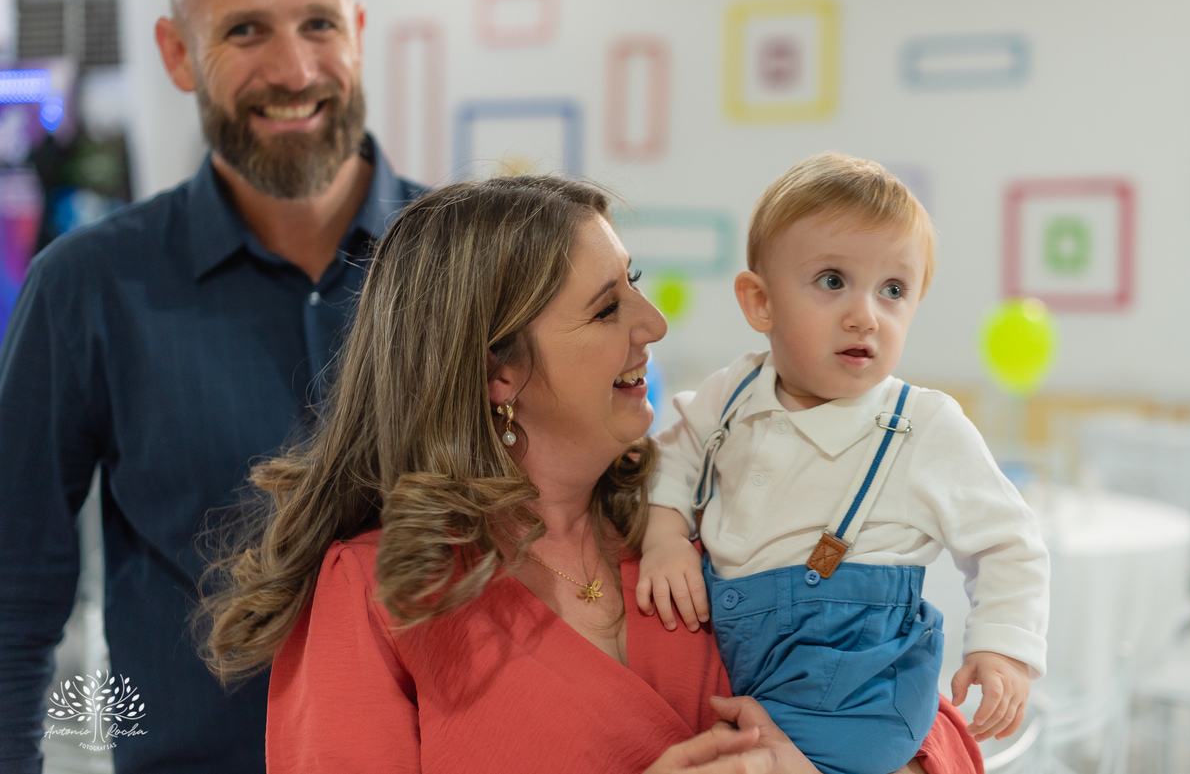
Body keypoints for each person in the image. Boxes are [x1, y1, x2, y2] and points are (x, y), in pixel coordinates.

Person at [204, 175, 986, 774]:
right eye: (609, 308)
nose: (654, 323)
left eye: (635, 286)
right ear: (497, 372)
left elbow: (935, 731)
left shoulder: (707, 510)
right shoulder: (377, 593)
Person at [0, 0, 422, 770]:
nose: (295, 71)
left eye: (320, 25)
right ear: (177, 53)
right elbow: (13, 598)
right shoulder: (84, 288)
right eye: (245, 32)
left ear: (359, 32)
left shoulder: (480, 270)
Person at [637, 153, 1050, 774]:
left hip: (861, 685)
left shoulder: (924, 425)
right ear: (760, 303)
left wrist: (1002, 648)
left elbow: (1009, 542)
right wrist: (666, 537)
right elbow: (671, 457)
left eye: (894, 290)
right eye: (833, 281)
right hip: (750, 670)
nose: (866, 315)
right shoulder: (731, 394)